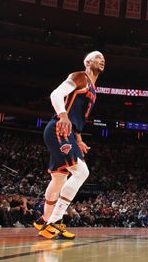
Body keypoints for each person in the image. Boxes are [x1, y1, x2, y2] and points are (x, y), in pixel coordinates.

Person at [35, 51, 103, 240]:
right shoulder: (80, 76)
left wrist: (79, 139)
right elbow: (56, 94)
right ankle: (55, 220)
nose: (102, 60)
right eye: (98, 57)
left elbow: (78, 117)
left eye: (103, 58)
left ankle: (44, 221)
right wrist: (63, 115)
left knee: (58, 179)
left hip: (68, 131)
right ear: (87, 61)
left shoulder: (93, 88)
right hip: (59, 127)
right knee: (82, 172)